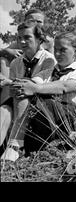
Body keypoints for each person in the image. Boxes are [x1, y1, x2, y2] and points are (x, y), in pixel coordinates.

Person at [2, 32, 76, 160]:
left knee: (42, 97)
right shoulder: (47, 72)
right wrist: (15, 84)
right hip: (42, 118)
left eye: (63, 50)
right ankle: (14, 144)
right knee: (16, 98)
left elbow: (64, 87)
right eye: (56, 50)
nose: (58, 54)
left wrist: (35, 88)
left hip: (65, 120)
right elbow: (30, 84)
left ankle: (16, 144)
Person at [0, 23, 56, 160]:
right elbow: (14, 89)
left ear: (39, 39)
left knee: (21, 91)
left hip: (42, 103)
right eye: (19, 38)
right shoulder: (16, 63)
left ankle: (15, 146)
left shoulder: (49, 59)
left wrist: (8, 82)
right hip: (19, 101)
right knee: (4, 109)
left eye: (27, 37)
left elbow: (34, 85)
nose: (22, 42)